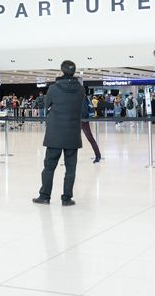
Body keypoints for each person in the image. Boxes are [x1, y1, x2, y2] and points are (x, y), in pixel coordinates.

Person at [33, 60, 84, 207]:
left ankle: (44, 196)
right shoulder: (80, 89)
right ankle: (67, 198)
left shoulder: (54, 88)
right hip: (72, 134)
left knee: (49, 166)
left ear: (62, 71)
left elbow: (47, 105)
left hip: (55, 133)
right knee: (71, 168)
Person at [81, 95, 102, 164]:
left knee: (90, 138)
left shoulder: (81, 97)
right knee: (90, 138)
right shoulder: (84, 97)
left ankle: (98, 155)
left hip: (81, 120)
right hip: (82, 120)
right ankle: (98, 156)